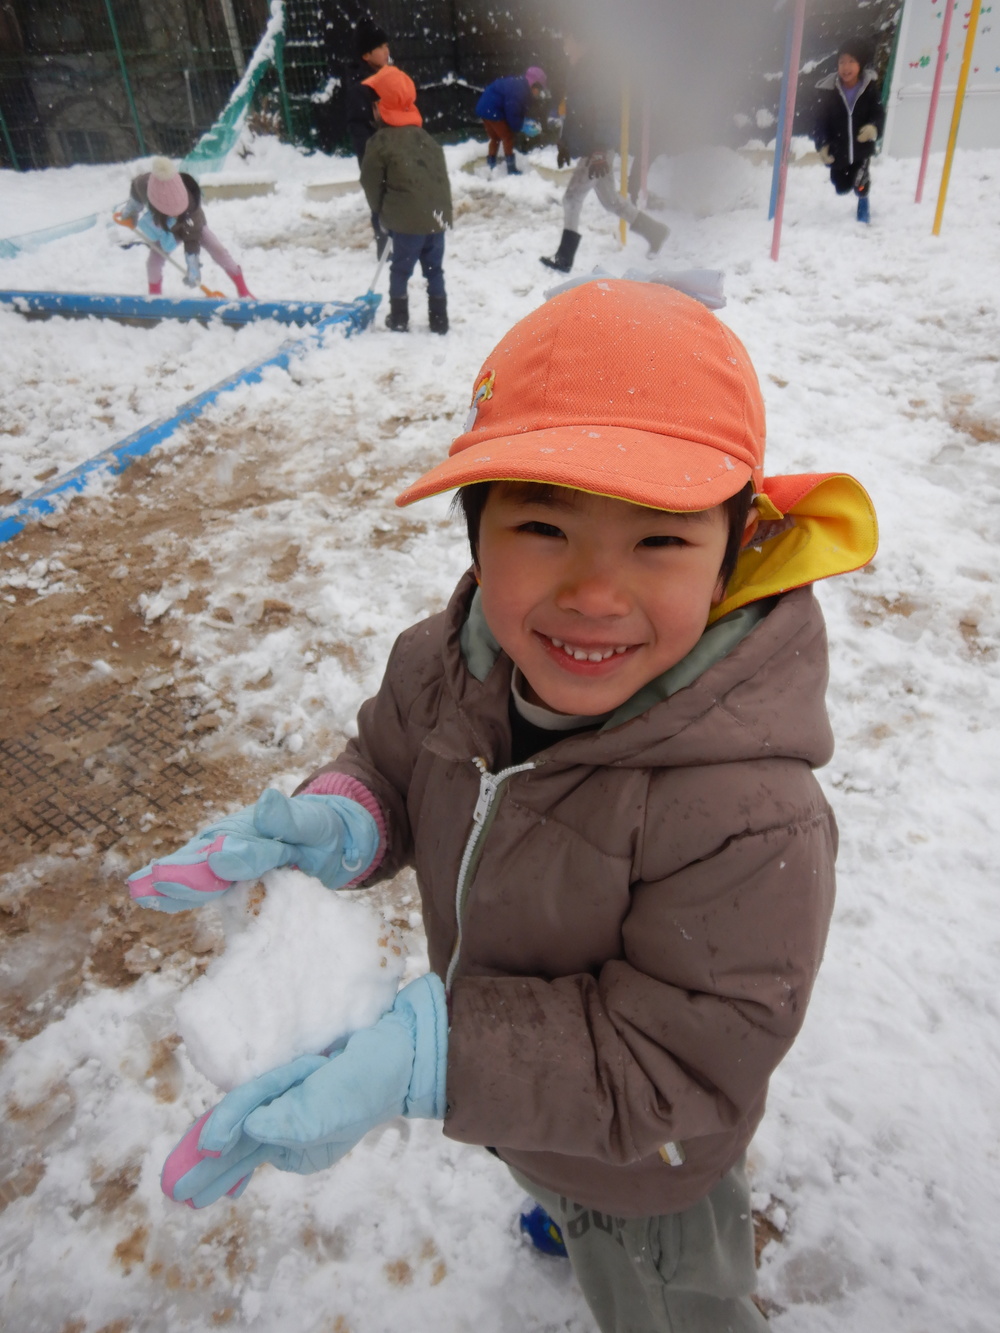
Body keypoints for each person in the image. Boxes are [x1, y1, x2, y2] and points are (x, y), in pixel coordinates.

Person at [130, 277, 879, 1333]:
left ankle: (603, 1224)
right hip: (517, 1101)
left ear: (732, 556)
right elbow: (390, 759)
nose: (594, 593)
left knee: (666, 1301)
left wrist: (436, 1058)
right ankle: (561, 1197)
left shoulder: (749, 813)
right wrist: (346, 815)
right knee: (550, 1166)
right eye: (543, 527)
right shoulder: (445, 665)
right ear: (476, 533)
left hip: (649, 1167)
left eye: (660, 540)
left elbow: (676, 1057)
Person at [542, 31, 668, 272]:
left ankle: (564, 258)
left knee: (571, 198)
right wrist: (565, 142)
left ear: (581, 42)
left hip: (597, 149)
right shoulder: (578, 70)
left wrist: (600, 149)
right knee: (611, 202)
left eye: (568, 40)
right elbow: (576, 113)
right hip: (592, 147)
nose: (564, 45)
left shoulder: (596, 70)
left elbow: (608, 112)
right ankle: (655, 232)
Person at [358, 65, 452, 334]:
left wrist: (381, 212)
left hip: (407, 224)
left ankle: (399, 318)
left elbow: (370, 181)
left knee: (400, 270)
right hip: (437, 219)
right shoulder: (427, 139)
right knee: (434, 270)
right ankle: (439, 319)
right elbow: (439, 179)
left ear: (380, 107)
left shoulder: (380, 142)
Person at [113, 157, 253, 297]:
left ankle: (244, 291)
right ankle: (154, 297)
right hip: (165, 230)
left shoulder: (192, 209)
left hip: (191, 226)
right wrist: (130, 212)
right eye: (171, 212)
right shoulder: (144, 184)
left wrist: (193, 265)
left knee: (219, 250)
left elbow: (192, 240)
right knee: (153, 263)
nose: (175, 214)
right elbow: (136, 193)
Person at [813, 38, 885, 224]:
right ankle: (849, 183)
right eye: (842, 62)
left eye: (851, 61)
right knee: (841, 187)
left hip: (862, 148)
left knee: (861, 185)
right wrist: (822, 144)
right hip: (839, 148)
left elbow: (878, 113)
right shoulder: (829, 91)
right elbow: (821, 121)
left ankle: (863, 199)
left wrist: (873, 127)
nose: (846, 67)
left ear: (860, 64)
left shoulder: (869, 89)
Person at [344, 16, 392, 254]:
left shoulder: (388, 75)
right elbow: (359, 126)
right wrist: (370, 157)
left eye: (386, 45)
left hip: (394, 147)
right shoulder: (360, 86)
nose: (386, 51)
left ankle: (405, 243)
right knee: (380, 200)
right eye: (380, 47)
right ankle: (385, 248)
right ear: (366, 55)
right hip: (374, 153)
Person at [475, 66, 547, 175]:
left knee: (495, 138)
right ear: (533, 84)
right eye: (539, 89)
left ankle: (491, 165)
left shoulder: (520, 85)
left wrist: (522, 121)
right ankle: (511, 168)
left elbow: (517, 109)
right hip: (493, 110)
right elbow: (512, 112)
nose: (539, 92)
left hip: (484, 107)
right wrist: (521, 126)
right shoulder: (520, 91)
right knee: (507, 137)